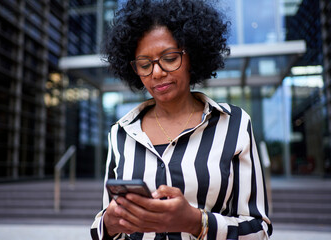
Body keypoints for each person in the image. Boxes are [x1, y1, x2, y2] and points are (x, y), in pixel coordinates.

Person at [91, 0, 273, 239]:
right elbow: (103, 225)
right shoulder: (121, 132)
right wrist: (110, 223)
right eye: (144, 64)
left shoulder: (234, 124)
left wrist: (197, 223)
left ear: (192, 57)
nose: (156, 72)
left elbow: (259, 229)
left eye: (169, 58)